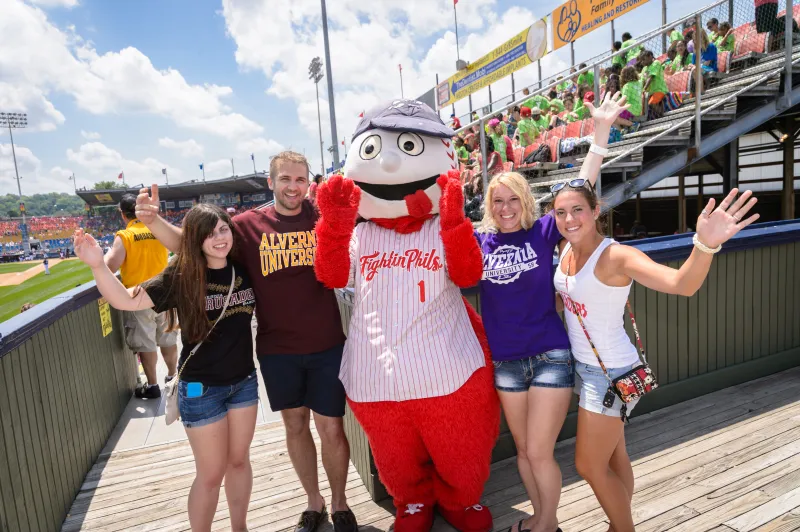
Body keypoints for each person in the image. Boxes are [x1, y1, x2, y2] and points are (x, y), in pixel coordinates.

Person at [135, 151, 358, 532]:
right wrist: (154, 221)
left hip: (326, 344)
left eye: (300, 179)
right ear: (271, 182)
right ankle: (314, 502)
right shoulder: (247, 226)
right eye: (285, 179)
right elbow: (195, 243)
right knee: (295, 426)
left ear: (309, 182)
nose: (293, 187)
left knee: (332, 428)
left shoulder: (322, 217)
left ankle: (340, 504)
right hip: (277, 350)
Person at [550, 183, 758, 532]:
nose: (569, 219)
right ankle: (618, 524)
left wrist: (705, 244)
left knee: (588, 465)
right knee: (613, 455)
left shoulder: (617, 257)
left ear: (596, 211)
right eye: (561, 212)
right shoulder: (565, 249)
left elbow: (681, 284)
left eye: (578, 210)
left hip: (612, 374)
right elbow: (568, 297)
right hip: (584, 367)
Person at [475, 91, 631, 532]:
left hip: (549, 355)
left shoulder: (543, 231)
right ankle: (545, 520)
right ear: (489, 206)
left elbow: (581, 185)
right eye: (498, 202)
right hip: (506, 361)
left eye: (513, 200)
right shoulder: (477, 241)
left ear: (525, 202)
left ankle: (544, 523)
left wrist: (599, 135)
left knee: (541, 451)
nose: (506, 209)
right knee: (525, 451)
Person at [74, 205, 259, 532]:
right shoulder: (182, 276)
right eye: (208, 233)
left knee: (239, 461)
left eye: (223, 229)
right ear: (194, 239)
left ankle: (240, 527)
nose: (219, 238)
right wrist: (98, 266)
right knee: (211, 475)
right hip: (202, 389)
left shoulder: (243, 265)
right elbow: (126, 300)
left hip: (243, 382)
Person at [104, 194, 178, 399]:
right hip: (166, 292)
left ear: (123, 214)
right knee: (168, 338)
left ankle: (152, 385)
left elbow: (110, 266)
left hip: (138, 296)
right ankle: (172, 377)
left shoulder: (125, 235)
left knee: (146, 344)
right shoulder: (158, 229)